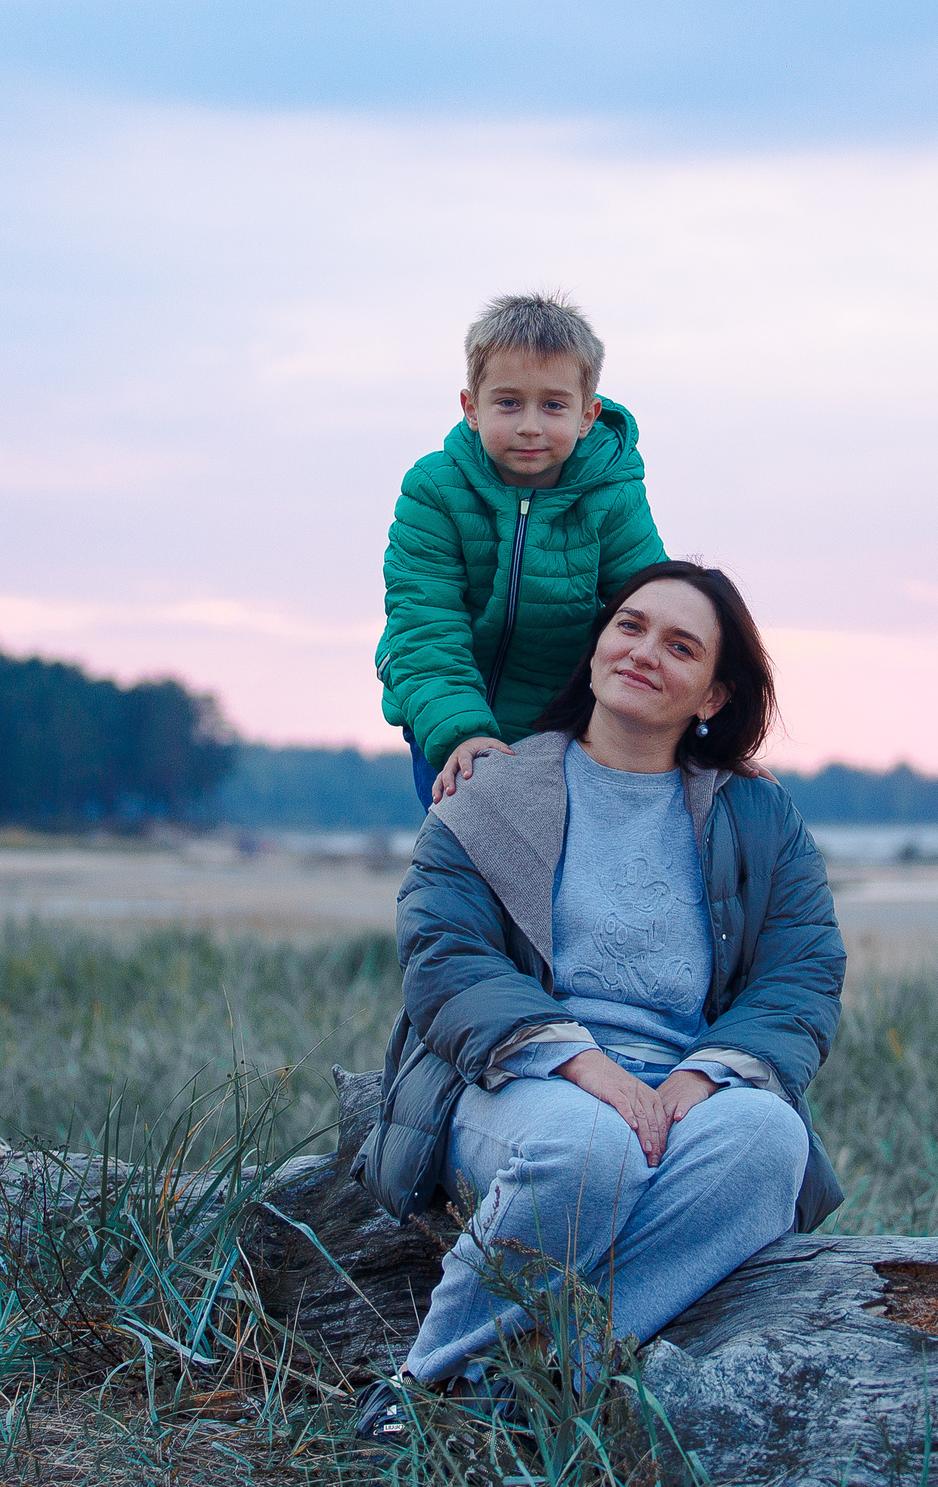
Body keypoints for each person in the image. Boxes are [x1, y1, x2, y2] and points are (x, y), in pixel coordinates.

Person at [351, 560, 845, 1442]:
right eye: (630, 625)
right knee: (591, 1148)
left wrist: (697, 1081)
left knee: (773, 1139)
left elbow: (801, 974)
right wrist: (586, 1066)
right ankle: (425, 1383)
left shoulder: (760, 817)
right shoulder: (491, 792)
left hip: (683, 1092)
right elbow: (444, 957)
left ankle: (534, 1376)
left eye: (681, 645)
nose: (645, 650)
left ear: (712, 694)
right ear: (595, 647)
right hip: (523, 1080)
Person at [376, 293, 669, 813]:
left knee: (560, 876)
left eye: (553, 405)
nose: (530, 425)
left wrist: (708, 732)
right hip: (447, 712)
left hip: (564, 726)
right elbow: (425, 625)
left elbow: (655, 611)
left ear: (587, 415)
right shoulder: (434, 489)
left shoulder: (613, 495)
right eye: (508, 403)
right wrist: (461, 733)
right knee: (468, 860)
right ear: (471, 407)